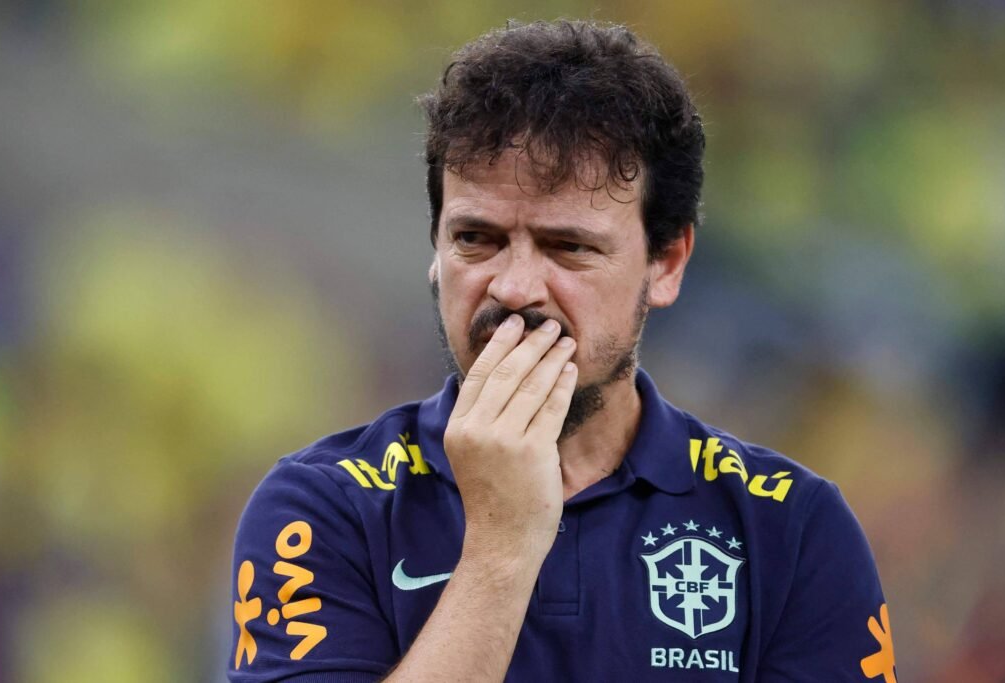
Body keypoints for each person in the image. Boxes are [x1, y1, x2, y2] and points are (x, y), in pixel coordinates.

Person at [228, 20, 897, 683]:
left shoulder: (790, 527)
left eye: (568, 247)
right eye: (475, 239)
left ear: (666, 263)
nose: (515, 288)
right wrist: (501, 548)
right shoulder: (322, 506)